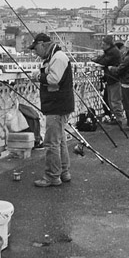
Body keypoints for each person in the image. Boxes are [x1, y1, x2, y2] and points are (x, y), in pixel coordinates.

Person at [29, 33, 75, 187]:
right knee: (59, 140)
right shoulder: (53, 57)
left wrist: (38, 76)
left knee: (51, 143)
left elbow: (54, 79)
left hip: (57, 105)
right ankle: (64, 172)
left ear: (42, 44)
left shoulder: (58, 57)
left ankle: (52, 176)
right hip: (58, 105)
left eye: (36, 48)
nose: (35, 52)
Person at [108, 37, 129, 130]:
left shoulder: (128, 58)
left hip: (128, 85)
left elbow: (119, 70)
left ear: (128, 48)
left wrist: (111, 68)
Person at [92, 35, 123, 125]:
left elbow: (104, 61)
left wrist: (95, 60)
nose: (101, 45)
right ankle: (115, 117)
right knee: (110, 99)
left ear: (108, 44)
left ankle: (118, 118)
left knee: (114, 100)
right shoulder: (110, 51)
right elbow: (102, 58)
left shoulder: (113, 52)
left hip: (114, 78)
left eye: (103, 44)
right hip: (111, 79)